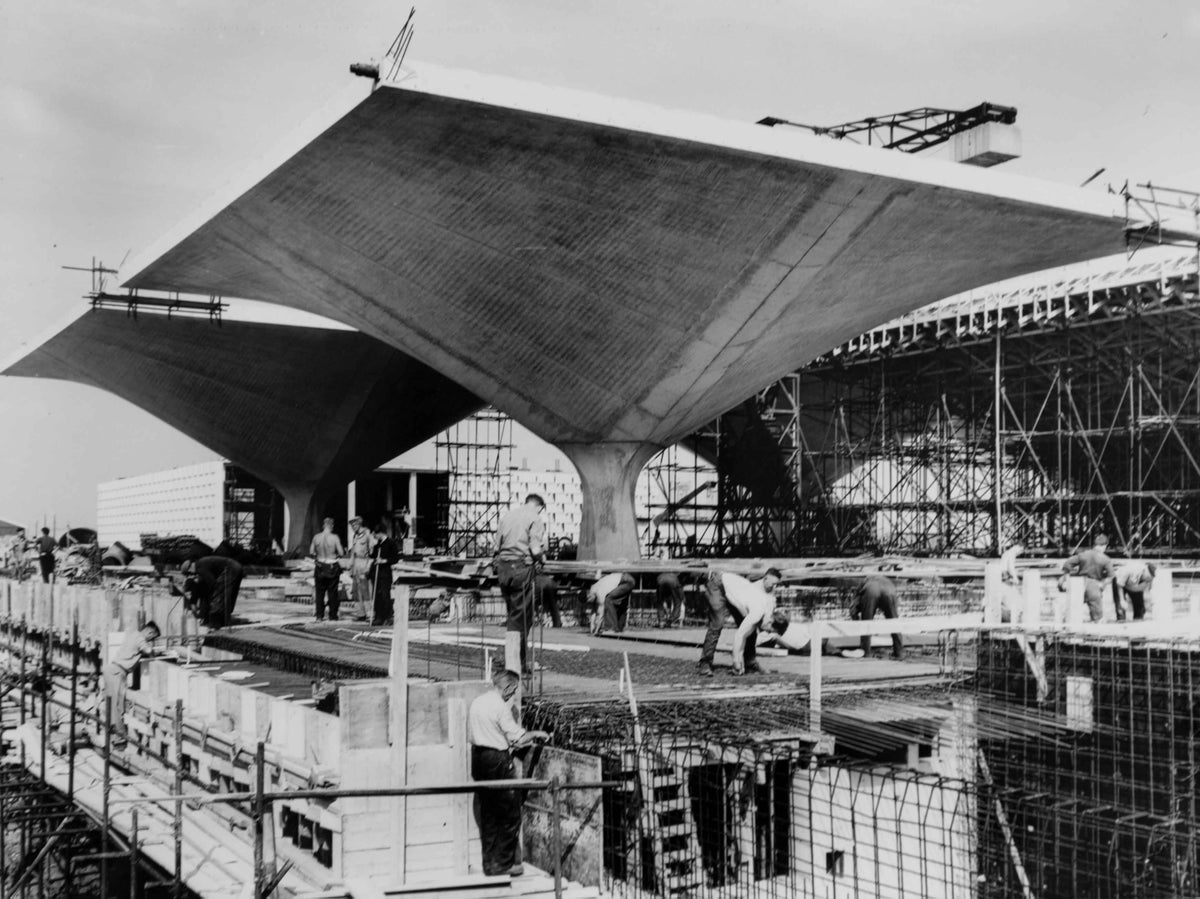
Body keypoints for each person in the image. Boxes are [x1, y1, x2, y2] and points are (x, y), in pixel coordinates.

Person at [468, 670, 549, 877]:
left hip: (478, 758)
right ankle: (504, 864)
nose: (513, 695)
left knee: (488, 814)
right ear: (508, 688)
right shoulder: (500, 707)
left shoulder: (478, 702)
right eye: (513, 691)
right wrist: (536, 734)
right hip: (496, 761)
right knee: (510, 814)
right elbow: (518, 738)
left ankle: (490, 864)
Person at [698, 568, 786, 678]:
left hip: (733, 594)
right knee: (718, 623)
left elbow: (770, 609)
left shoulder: (769, 602)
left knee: (749, 628)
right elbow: (739, 636)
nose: (767, 632)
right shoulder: (757, 613)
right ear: (766, 578)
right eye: (769, 629)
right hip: (718, 584)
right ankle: (705, 663)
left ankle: (749, 661)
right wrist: (736, 662)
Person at [494, 494, 547, 673]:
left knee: (513, 614)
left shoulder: (507, 516)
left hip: (503, 568)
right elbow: (535, 549)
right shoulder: (535, 518)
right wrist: (542, 558)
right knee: (522, 617)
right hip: (521, 568)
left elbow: (496, 546)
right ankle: (517, 664)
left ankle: (515, 661)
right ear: (539, 506)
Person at [102, 621, 161, 746]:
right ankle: (119, 740)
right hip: (117, 673)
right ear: (149, 632)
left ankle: (112, 736)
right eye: (152, 638)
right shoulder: (140, 638)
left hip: (113, 670)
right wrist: (155, 651)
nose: (151, 640)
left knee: (111, 705)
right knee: (117, 707)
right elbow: (148, 650)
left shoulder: (133, 634)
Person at [180, 556, 244, 629]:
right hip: (236, 567)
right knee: (227, 594)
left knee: (219, 593)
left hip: (231, 569)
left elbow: (213, 584)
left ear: (190, 568)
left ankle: (216, 622)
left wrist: (211, 607)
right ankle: (223, 620)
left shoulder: (200, 567)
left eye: (189, 573)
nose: (192, 575)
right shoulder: (201, 565)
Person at [1062, 534, 1114, 622]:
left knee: (1073, 613)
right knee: (1098, 618)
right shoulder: (1105, 559)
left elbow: (1067, 564)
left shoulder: (1083, 554)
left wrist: (1070, 576)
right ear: (1104, 546)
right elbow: (1111, 576)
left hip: (1079, 583)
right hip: (1094, 584)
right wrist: (1102, 585)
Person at [852, 575, 904, 660]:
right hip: (889, 589)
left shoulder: (861, 585)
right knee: (894, 621)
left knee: (867, 622)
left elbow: (853, 608)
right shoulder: (883, 579)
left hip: (871, 589)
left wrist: (856, 619)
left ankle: (866, 652)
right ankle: (899, 652)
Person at [309, 517, 345, 622]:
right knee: (332, 592)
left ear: (323, 525)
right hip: (331, 566)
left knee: (319, 593)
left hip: (320, 566)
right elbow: (341, 552)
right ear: (332, 526)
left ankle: (319, 616)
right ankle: (332, 616)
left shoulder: (316, 537)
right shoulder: (334, 537)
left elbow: (311, 552)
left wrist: (318, 555)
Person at [369, 521, 400, 625]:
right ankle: (378, 616)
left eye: (375, 535)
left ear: (380, 533)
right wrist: (371, 553)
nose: (375, 537)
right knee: (376, 595)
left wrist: (384, 561)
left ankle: (388, 616)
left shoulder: (391, 543)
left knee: (384, 595)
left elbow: (395, 558)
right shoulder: (377, 545)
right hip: (376, 573)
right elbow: (373, 556)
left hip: (385, 574)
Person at [347, 516, 374, 622]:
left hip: (364, 563)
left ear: (360, 524)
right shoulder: (355, 536)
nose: (353, 527)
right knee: (356, 591)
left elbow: (372, 552)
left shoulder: (367, 535)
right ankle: (360, 613)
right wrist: (350, 565)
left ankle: (369, 613)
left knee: (365, 590)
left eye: (355, 525)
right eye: (352, 526)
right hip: (356, 565)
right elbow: (353, 552)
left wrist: (368, 566)